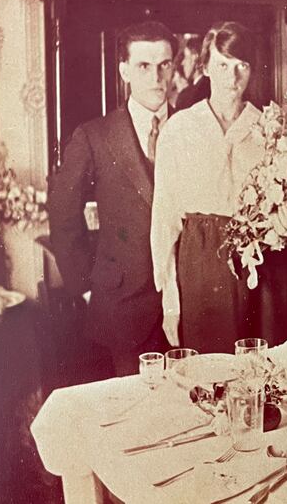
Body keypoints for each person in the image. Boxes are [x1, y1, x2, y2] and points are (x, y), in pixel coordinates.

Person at [48, 20, 176, 377]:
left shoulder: (189, 128)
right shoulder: (96, 135)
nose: (156, 77)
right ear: (124, 71)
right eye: (144, 66)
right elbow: (62, 214)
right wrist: (86, 288)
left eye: (164, 65)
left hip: (186, 302)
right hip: (122, 305)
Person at [151, 22, 263, 353]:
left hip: (256, 260)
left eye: (241, 66)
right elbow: (165, 218)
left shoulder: (268, 127)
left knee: (256, 362)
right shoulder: (180, 128)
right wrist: (169, 298)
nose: (232, 78)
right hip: (200, 257)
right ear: (205, 68)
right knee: (207, 366)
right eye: (222, 65)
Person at [174, 34, 210, 112]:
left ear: (195, 58)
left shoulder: (188, 95)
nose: (182, 63)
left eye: (186, 57)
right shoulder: (212, 86)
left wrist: (183, 94)